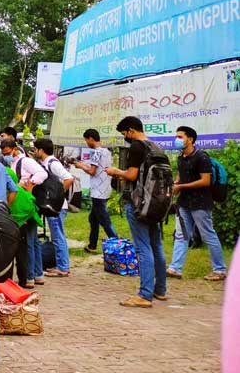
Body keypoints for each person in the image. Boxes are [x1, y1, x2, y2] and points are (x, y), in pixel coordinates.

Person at [106, 116, 167, 308]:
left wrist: (116, 171)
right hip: (156, 204)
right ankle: (160, 290)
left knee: (143, 248)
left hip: (139, 203)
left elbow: (131, 175)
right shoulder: (156, 147)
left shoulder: (137, 147)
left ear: (131, 130)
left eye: (125, 134)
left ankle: (145, 295)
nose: (126, 137)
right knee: (156, 245)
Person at [168, 126, 228, 281]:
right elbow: (180, 175)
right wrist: (175, 185)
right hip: (184, 203)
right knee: (181, 236)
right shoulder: (181, 156)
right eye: (177, 136)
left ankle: (220, 270)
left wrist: (181, 187)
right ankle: (175, 268)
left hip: (200, 203)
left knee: (208, 235)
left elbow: (205, 180)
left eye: (180, 137)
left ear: (190, 139)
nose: (177, 139)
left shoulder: (202, 157)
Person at [1, 139, 49, 285]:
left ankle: (30, 276)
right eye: (4, 154)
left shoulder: (25, 161)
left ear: (15, 149)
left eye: (8, 153)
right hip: (26, 202)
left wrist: (30, 185)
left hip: (27, 204)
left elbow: (42, 173)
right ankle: (37, 274)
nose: (6, 156)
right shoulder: (13, 163)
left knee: (28, 242)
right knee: (33, 241)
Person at [33, 138, 74, 278]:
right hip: (54, 207)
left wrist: (57, 196)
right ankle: (60, 264)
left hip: (57, 207)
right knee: (56, 236)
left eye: (36, 149)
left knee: (58, 237)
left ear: (41, 150)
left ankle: (63, 267)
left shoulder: (52, 163)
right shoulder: (46, 163)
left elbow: (69, 178)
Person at [74, 129, 118, 253]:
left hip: (98, 192)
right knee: (93, 218)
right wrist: (83, 165)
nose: (86, 143)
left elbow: (92, 171)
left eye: (86, 140)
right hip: (105, 189)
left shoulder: (97, 153)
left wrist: (81, 166)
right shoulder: (107, 152)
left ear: (91, 139)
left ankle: (117, 245)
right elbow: (97, 169)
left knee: (105, 221)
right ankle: (92, 245)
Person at [5, 167, 43, 288]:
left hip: (9, 226)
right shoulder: (22, 193)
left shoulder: (4, 193)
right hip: (23, 226)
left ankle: (7, 281)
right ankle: (25, 280)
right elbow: (31, 205)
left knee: (8, 255)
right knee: (23, 253)